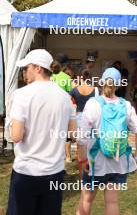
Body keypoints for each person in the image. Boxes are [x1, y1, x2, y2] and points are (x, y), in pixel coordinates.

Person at [7, 49, 76, 215]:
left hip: (27, 171)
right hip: (54, 171)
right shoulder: (65, 97)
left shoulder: (22, 94)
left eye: (27, 67)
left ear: (38, 68)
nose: (25, 72)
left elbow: (16, 136)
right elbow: (73, 134)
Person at [76, 67, 137, 215]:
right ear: (119, 85)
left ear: (101, 82)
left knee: (86, 200)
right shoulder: (126, 105)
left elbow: (82, 137)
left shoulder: (93, 104)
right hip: (118, 161)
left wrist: (82, 161)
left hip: (95, 162)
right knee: (112, 202)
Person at [69, 69, 99, 178]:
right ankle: (91, 172)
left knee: (80, 147)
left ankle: (82, 175)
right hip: (92, 119)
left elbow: (70, 105)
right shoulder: (95, 90)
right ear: (91, 78)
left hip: (79, 118)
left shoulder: (74, 90)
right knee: (92, 145)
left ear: (80, 77)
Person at [51, 54, 74, 163]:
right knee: (65, 132)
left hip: (49, 109)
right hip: (63, 108)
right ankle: (68, 157)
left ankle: (53, 155)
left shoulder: (47, 76)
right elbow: (70, 93)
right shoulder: (66, 78)